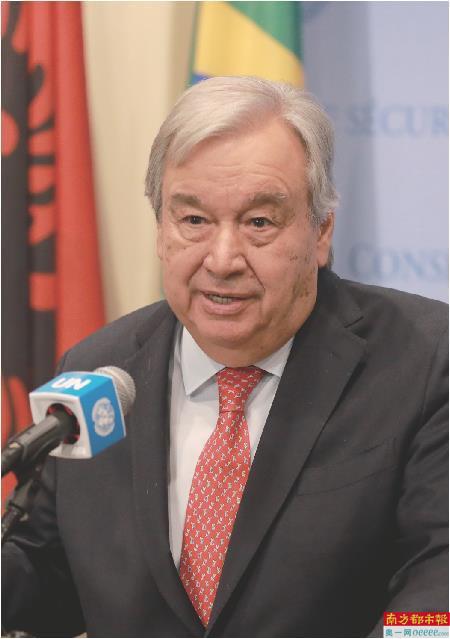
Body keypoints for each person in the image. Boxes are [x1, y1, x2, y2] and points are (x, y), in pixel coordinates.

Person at [2, 76, 448, 638]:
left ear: (321, 233)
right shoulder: (98, 372)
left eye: (259, 222)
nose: (222, 259)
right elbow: (42, 575)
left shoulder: (424, 359)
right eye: (194, 220)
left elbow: (439, 587)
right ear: (161, 229)